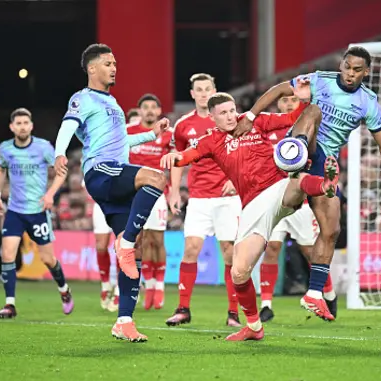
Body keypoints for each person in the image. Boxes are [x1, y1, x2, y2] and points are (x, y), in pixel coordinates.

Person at [233, 46, 381, 320]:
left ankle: (314, 294)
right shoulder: (320, 80)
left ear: (366, 72)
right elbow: (280, 90)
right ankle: (293, 152)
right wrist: (250, 116)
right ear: (342, 65)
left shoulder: (368, 102)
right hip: (307, 144)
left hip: (325, 164)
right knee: (312, 111)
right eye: (347, 67)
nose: (350, 73)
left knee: (331, 229)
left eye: (357, 70)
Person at [161, 93, 338, 341]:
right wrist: (174, 157)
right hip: (253, 206)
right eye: (223, 113)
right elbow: (187, 156)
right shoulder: (211, 140)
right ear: (212, 117)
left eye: (232, 110)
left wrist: (306, 97)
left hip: (278, 188)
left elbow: (292, 117)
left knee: (296, 180)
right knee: (239, 272)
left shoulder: (256, 121)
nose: (231, 116)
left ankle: (325, 185)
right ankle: (254, 327)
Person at [46, 43, 169, 342]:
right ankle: (124, 243)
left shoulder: (112, 104)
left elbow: (121, 140)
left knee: (136, 246)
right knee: (155, 177)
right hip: (101, 170)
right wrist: (60, 153)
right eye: (108, 63)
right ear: (92, 68)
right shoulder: (83, 98)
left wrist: (152, 135)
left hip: (115, 173)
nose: (114, 68)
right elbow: (67, 125)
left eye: (115, 63)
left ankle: (124, 321)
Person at [165, 73, 242, 328]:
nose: (203, 93)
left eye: (207, 88)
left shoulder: (230, 120)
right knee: (190, 249)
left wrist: (237, 179)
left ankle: (233, 313)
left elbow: (244, 152)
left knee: (229, 253)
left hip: (227, 198)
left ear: (214, 90)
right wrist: (175, 191)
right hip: (198, 197)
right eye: (198, 90)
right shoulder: (184, 125)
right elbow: (177, 159)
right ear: (192, 94)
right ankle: (183, 308)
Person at [259, 94, 336, 322]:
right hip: (274, 200)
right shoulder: (267, 126)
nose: (289, 102)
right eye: (284, 100)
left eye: (293, 99)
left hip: (300, 201)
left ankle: (328, 294)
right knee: (271, 248)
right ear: (278, 104)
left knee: (310, 252)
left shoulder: (307, 127)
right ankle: (266, 305)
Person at [0, 108, 73, 319]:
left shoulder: (43, 148)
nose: (22, 126)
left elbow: (61, 171)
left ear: (31, 126)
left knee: (48, 259)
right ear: (12, 127)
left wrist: (50, 195)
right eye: (18, 123)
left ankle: (64, 289)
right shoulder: (6, 149)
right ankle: (10, 304)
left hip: (38, 211)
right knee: (7, 254)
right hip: (15, 211)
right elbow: (1, 169)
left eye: (25, 122)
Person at [128, 94, 172, 310]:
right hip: (134, 193)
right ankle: (147, 284)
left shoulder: (167, 135)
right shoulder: (129, 132)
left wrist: (172, 192)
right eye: (145, 107)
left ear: (159, 110)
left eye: (154, 107)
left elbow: (175, 163)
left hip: (157, 193)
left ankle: (159, 286)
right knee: (138, 241)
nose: (149, 111)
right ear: (140, 111)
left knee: (157, 240)